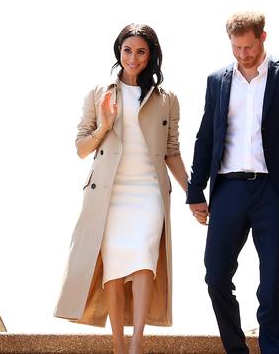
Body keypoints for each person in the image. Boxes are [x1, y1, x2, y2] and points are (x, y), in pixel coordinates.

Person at [187, 11, 279, 354]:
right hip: (229, 190)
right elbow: (206, 137)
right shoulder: (217, 80)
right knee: (216, 276)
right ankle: (236, 349)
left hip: (275, 192)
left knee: (271, 287)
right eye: (236, 47)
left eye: (249, 47)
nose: (242, 54)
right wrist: (196, 190)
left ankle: (271, 350)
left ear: (262, 38)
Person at [54, 23, 188, 354]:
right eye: (127, 50)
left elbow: (172, 151)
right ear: (119, 52)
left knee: (144, 261)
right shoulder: (101, 94)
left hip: (149, 193)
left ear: (151, 55)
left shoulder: (166, 100)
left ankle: (136, 344)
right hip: (110, 195)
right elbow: (82, 148)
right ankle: (117, 345)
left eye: (141, 51)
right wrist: (104, 125)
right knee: (113, 268)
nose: (133, 57)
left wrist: (193, 192)